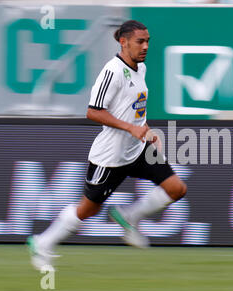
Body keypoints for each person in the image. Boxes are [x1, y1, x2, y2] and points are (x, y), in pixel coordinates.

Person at [27, 20, 187, 271]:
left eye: (147, 41)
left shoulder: (140, 68)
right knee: (87, 210)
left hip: (137, 149)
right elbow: (93, 112)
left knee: (176, 189)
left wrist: (146, 129)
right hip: (110, 157)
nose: (145, 46)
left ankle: (130, 216)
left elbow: (133, 107)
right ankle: (43, 242)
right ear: (123, 42)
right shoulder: (112, 71)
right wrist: (131, 128)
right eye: (140, 41)